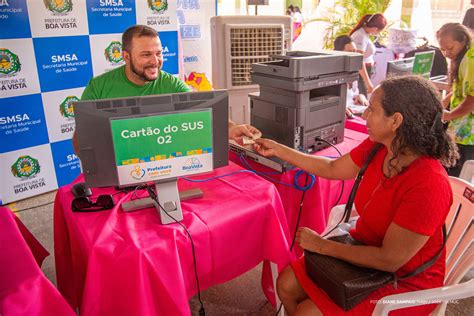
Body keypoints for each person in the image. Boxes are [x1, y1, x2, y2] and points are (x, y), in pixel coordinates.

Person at [254, 76, 457, 315]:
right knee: (286, 285)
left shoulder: (429, 184)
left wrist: (322, 246)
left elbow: (389, 260)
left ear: (396, 121)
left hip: (405, 283)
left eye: (371, 109)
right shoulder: (380, 147)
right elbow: (331, 168)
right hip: (364, 253)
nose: (363, 116)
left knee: (306, 312)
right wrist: (278, 149)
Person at [73, 25, 259, 154]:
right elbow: (81, 137)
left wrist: (233, 128)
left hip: (162, 164)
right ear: (126, 56)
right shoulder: (98, 86)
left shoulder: (173, 84)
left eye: (159, 53)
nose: (155, 61)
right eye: (146, 55)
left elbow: (205, 111)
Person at [437, 23, 474, 176]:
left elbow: (472, 99)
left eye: (450, 48)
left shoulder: (471, 60)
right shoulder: (464, 57)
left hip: (467, 135)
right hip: (460, 130)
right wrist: (441, 104)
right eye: (443, 49)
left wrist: (448, 115)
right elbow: (460, 91)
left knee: (455, 179)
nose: (446, 54)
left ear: (463, 40)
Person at [350, 13, 387, 96]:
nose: (378, 33)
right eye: (379, 31)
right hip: (362, 73)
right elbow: (359, 61)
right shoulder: (360, 36)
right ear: (375, 28)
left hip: (365, 71)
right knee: (362, 99)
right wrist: (368, 82)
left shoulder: (364, 34)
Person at [333, 35, 369, 118]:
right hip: (342, 116)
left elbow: (353, 94)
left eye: (355, 51)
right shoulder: (333, 75)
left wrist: (360, 96)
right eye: (350, 52)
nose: (354, 55)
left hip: (354, 112)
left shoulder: (353, 71)